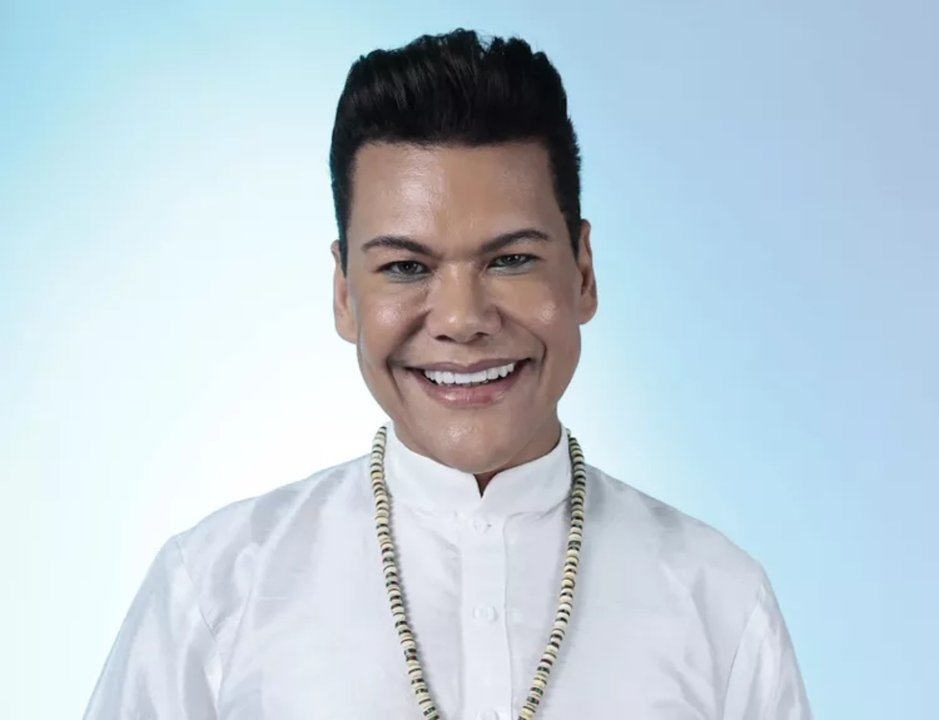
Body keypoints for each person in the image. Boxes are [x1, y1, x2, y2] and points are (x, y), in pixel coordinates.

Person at [83, 28, 812, 719]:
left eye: (511, 259)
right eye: (405, 267)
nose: (462, 319)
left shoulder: (718, 602)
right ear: (344, 294)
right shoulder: (214, 591)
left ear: (583, 273)